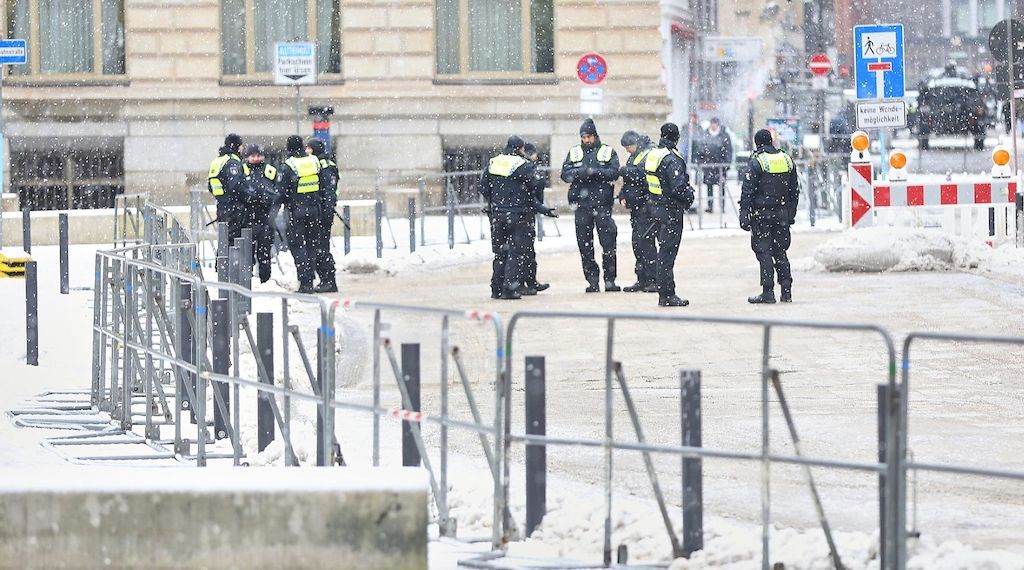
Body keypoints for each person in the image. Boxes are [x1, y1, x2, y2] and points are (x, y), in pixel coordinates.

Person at [479, 135, 555, 300]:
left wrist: (496, 201)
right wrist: (527, 197)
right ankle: (510, 288)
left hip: (497, 215)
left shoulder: (494, 162)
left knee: (501, 253)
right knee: (516, 252)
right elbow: (538, 182)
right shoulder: (523, 164)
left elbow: (483, 187)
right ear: (521, 149)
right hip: (518, 215)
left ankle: (496, 288)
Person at [739, 129, 799, 304]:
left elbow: (747, 192)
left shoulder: (758, 161)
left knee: (764, 252)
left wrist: (744, 215)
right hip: (781, 214)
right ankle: (786, 291)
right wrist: (790, 213)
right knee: (780, 251)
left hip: (762, 215)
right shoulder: (787, 159)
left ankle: (768, 292)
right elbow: (794, 190)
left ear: (757, 143)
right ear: (771, 141)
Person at [560, 118, 621, 292]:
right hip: (582, 206)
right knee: (585, 245)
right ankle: (592, 281)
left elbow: (614, 173)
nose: (586, 140)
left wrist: (595, 172)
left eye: (589, 136)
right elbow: (565, 174)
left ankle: (610, 280)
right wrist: (582, 173)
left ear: (595, 136)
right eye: (583, 137)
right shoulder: (574, 153)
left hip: (602, 205)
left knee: (608, 244)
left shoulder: (608, 152)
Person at [644, 123, 694, 307]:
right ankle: (667, 294)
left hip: (655, 208)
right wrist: (690, 197)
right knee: (667, 254)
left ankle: (663, 292)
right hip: (670, 210)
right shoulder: (671, 158)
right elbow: (679, 187)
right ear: (677, 138)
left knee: (662, 252)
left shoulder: (653, 154)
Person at [279, 135, 324, 294]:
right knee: (312, 246)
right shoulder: (314, 161)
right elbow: (322, 184)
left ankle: (305, 282)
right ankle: (310, 279)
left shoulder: (289, 165)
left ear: (289, 149)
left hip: (296, 211)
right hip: (314, 210)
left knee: (297, 246)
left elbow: (281, 191)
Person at [616, 130, 658, 293]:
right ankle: (642, 278)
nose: (626, 150)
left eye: (627, 147)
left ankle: (652, 279)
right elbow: (629, 181)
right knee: (637, 243)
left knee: (646, 244)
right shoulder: (635, 155)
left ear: (635, 143)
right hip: (637, 206)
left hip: (647, 206)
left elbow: (642, 175)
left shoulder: (649, 153)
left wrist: (625, 170)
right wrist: (623, 194)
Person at [241, 144, 279, 283]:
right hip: (248, 217)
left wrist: (268, 200)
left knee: (264, 254)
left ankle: (265, 281)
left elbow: (278, 192)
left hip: (265, 218)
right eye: (253, 156)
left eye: (258, 155)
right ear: (247, 157)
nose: (256, 158)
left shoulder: (270, 171)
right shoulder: (242, 170)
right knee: (247, 254)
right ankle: (247, 281)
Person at [307, 137, 338, 293]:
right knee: (319, 247)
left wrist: (325, 212)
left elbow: (329, 193)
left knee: (321, 247)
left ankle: (328, 280)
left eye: (308, 148)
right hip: (321, 211)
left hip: (323, 212)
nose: (306, 151)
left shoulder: (323, 166)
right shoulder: (325, 164)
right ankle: (326, 279)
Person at [521, 142, 552, 295]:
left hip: (527, 211)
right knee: (524, 250)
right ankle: (524, 283)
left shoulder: (530, 168)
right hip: (524, 212)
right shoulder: (526, 168)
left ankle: (530, 281)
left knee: (527, 250)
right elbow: (532, 190)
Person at [207, 133, 246, 244]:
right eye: (241, 146)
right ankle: (231, 262)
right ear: (237, 146)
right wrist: (250, 196)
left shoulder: (217, 161)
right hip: (233, 209)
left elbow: (211, 186)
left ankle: (222, 262)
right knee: (234, 243)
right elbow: (236, 186)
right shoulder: (232, 162)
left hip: (222, 207)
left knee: (224, 242)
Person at [701, 117, 733, 213]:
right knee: (709, 187)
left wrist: (727, 163)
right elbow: (701, 148)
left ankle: (722, 206)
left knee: (721, 187)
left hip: (720, 166)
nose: (713, 125)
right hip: (709, 165)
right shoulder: (706, 135)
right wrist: (702, 162)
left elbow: (729, 150)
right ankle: (710, 206)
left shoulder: (724, 135)